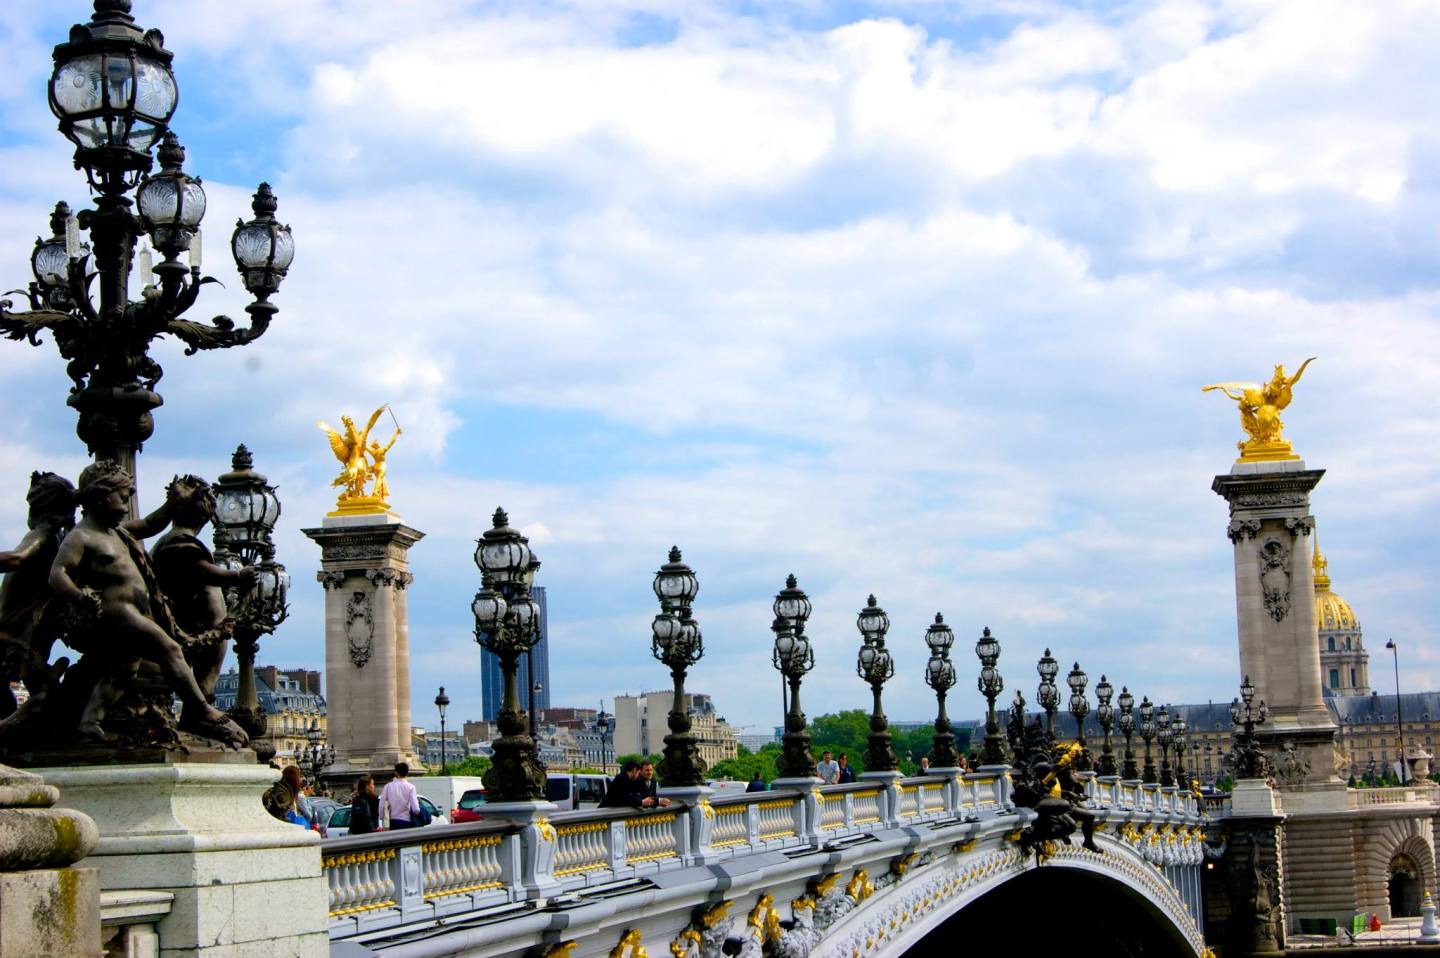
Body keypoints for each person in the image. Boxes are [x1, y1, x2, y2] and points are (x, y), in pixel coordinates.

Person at [48, 462, 246, 745]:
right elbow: (58, 574)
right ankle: (201, 709)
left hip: (135, 611)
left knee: (124, 669)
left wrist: (173, 502)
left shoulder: (117, 532)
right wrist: (80, 598)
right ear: (102, 495)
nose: (126, 503)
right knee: (169, 648)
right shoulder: (81, 536)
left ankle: (89, 721)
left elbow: (152, 524)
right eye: (122, 497)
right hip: (116, 612)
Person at [380, 761, 420, 829]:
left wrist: (381, 816)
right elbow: (415, 809)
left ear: (396, 773)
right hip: (406, 821)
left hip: (392, 821)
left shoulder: (388, 786)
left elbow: (381, 804)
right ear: (407, 773)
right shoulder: (411, 787)